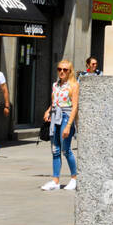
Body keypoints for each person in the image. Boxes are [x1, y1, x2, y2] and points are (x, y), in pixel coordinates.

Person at [41, 58, 79, 192]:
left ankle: (74, 178)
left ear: (70, 71)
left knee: (66, 150)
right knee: (55, 150)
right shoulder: (55, 85)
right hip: (55, 117)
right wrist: (48, 111)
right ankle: (55, 181)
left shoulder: (73, 85)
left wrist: (69, 125)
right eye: (59, 69)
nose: (61, 72)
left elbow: (74, 107)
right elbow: (54, 102)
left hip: (66, 117)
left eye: (65, 70)